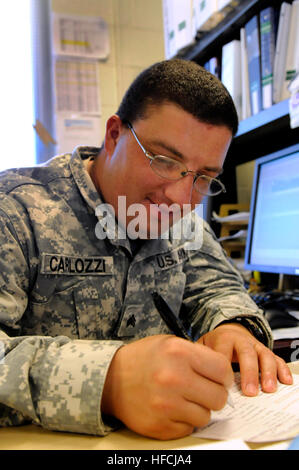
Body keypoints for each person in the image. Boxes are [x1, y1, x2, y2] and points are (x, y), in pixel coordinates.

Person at [0, 59, 292, 440]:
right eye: (165, 161)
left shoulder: (181, 222)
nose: (179, 196)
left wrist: (232, 326)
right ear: (114, 134)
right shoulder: (16, 210)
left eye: (203, 177)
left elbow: (217, 288)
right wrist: (108, 383)